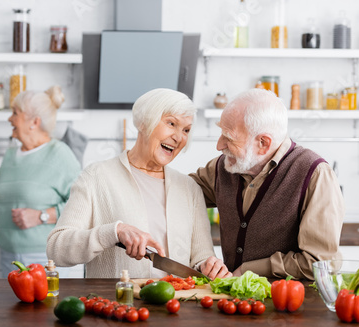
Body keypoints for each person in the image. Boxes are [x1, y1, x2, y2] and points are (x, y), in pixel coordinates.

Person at [47, 88, 231, 279]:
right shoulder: (96, 177)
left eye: (186, 130)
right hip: (117, 305)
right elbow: (56, 249)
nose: (178, 137)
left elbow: (202, 257)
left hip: (177, 306)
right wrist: (114, 232)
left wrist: (209, 266)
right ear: (143, 123)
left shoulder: (189, 188)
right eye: (171, 123)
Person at [190, 88, 344, 280]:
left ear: (263, 143)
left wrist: (250, 270)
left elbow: (320, 262)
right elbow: (180, 193)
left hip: (291, 303)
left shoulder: (315, 174)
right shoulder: (223, 167)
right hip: (232, 301)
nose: (219, 146)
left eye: (228, 137)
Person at [0, 86, 81, 278]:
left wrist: (41, 216)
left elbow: (83, 205)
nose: (10, 119)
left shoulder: (60, 154)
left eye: (15, 113)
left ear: (34, 121)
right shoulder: (10, 155)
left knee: (50, 308)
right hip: (9, 257)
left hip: (47, 258)